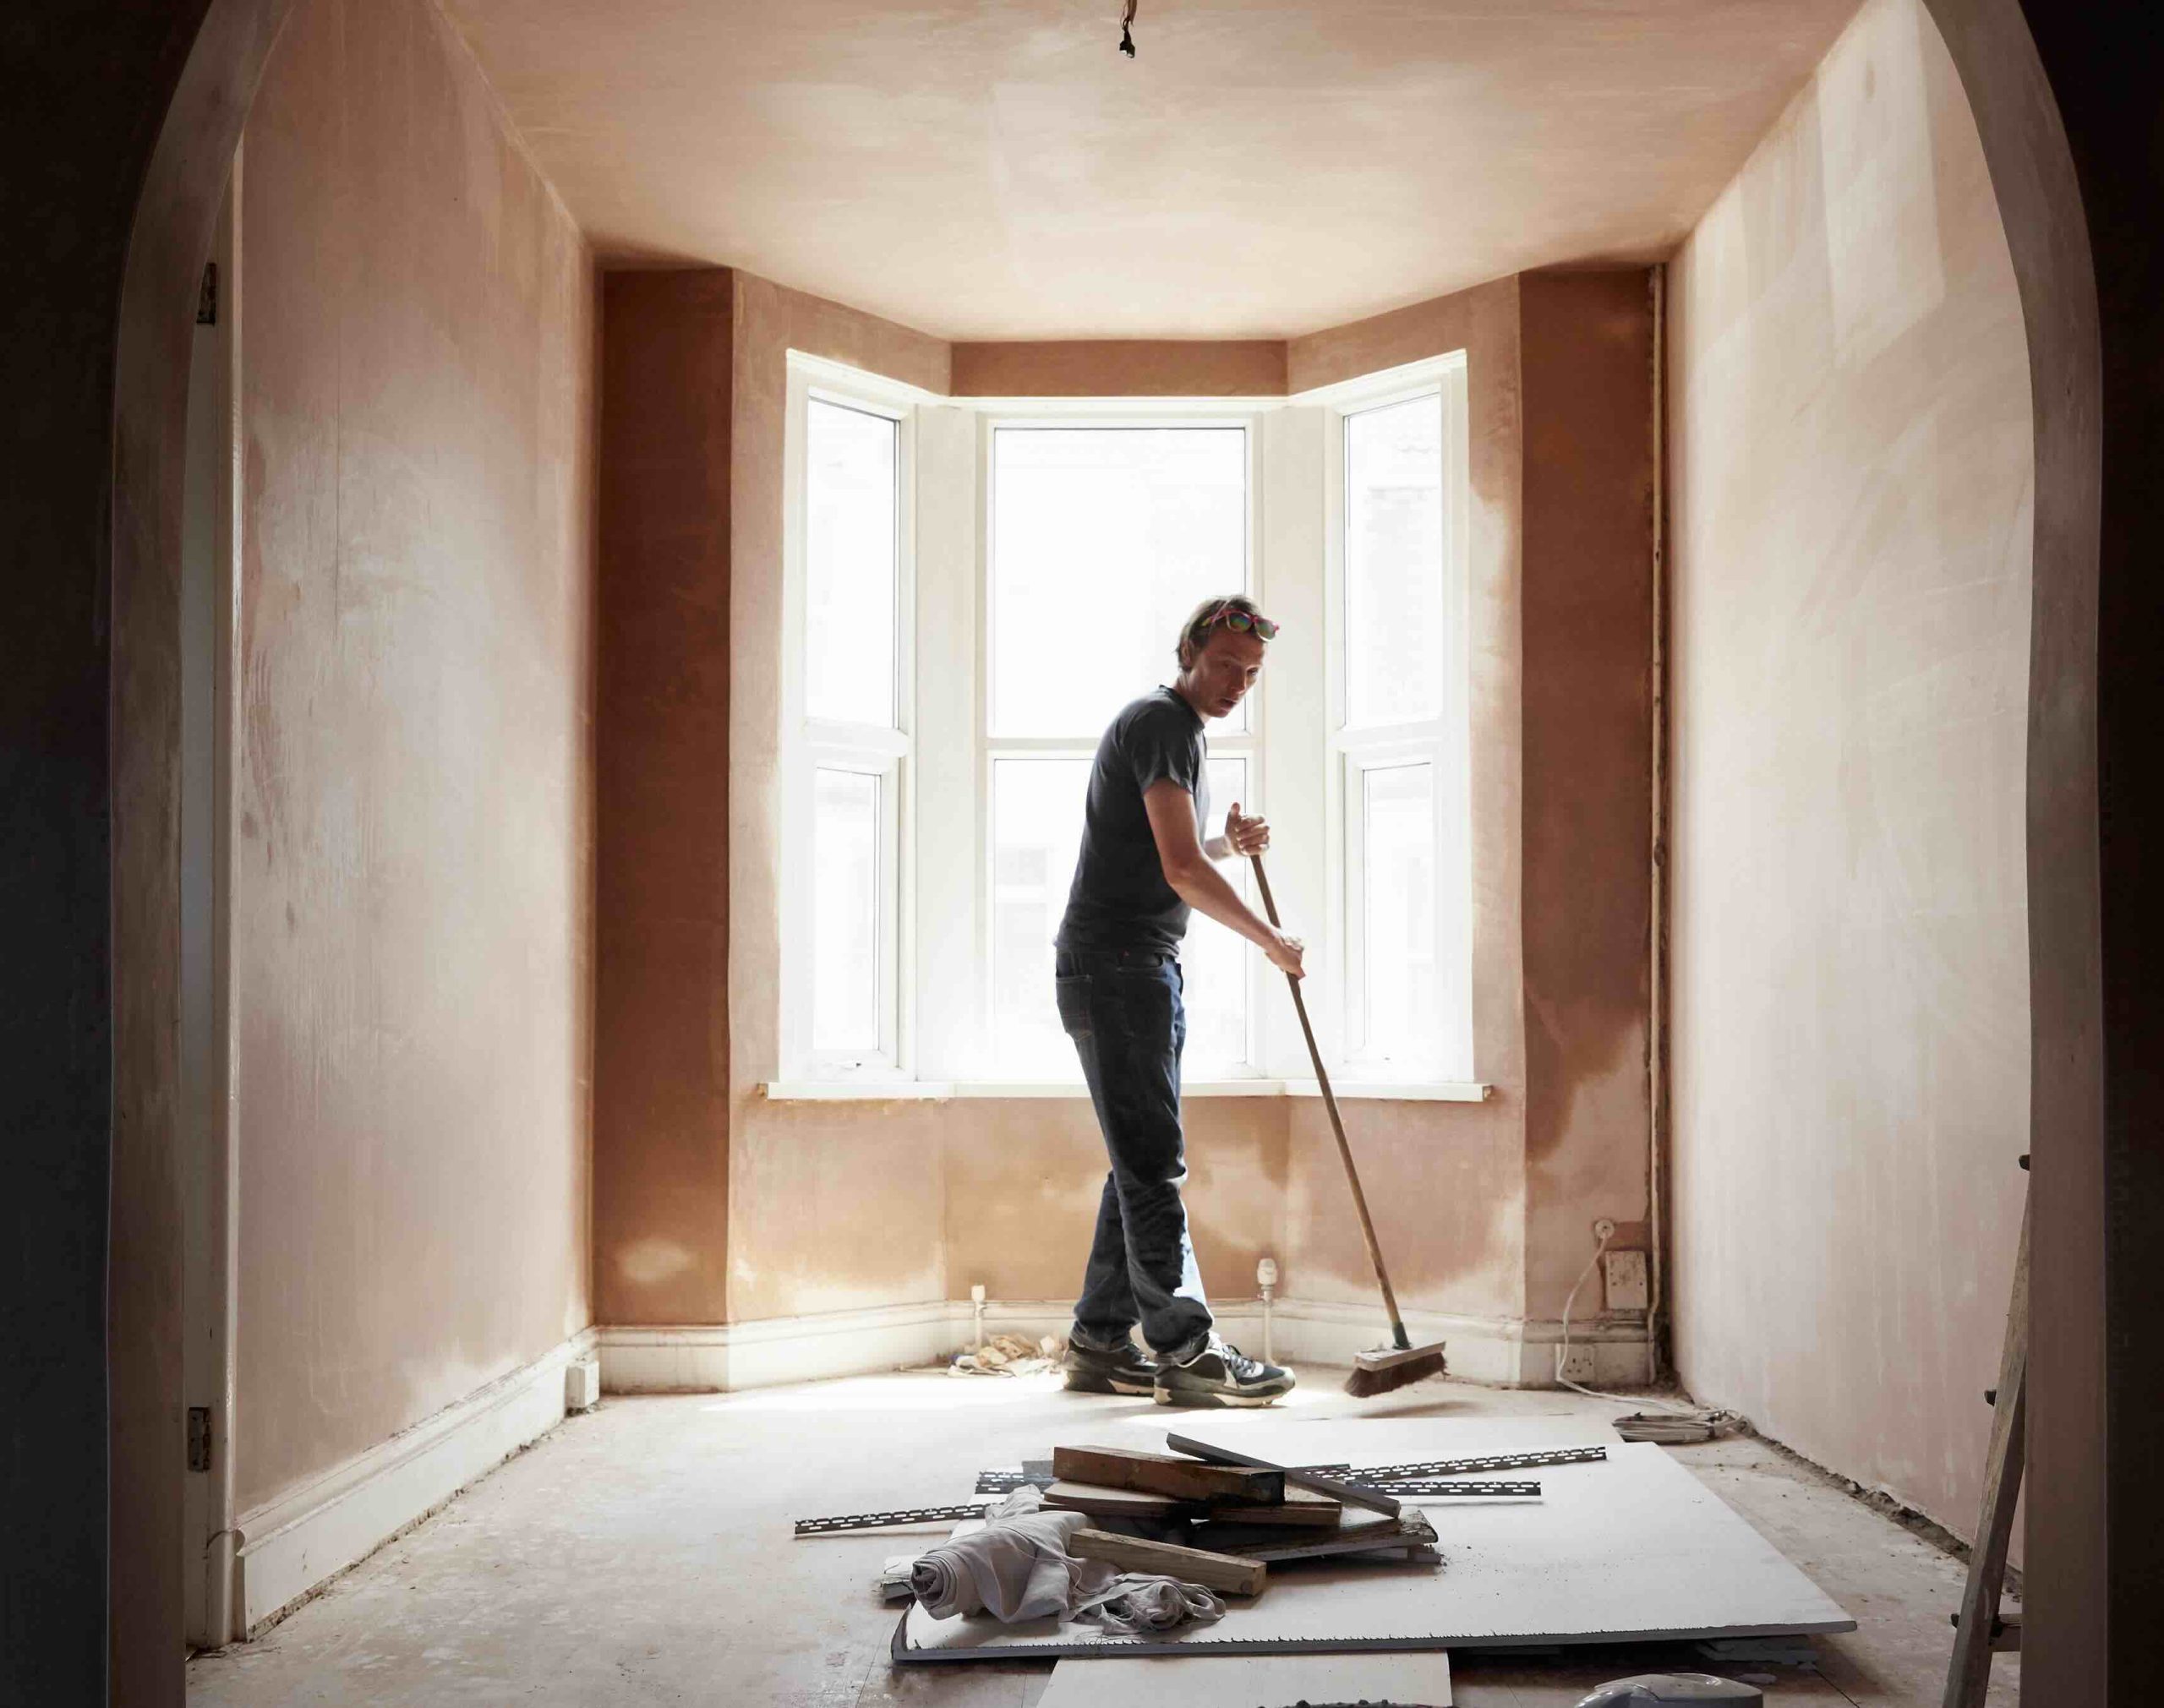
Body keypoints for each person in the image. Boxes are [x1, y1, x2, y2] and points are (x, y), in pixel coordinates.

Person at [1055, 593, 1306, 1407]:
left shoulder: (1175, 730)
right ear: (1189, 652)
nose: (1238, 683)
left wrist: (1228, 843)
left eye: (1252, 673)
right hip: (1120, 967)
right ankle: (1188, 1350)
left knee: (1136, 1159)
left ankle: (1099, 1340)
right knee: (1152, 1164)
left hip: (1131, 965)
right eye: (1227, 664)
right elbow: (1182, 870)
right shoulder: (1163, 724)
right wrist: (1270, 937)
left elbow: (1173, 851)